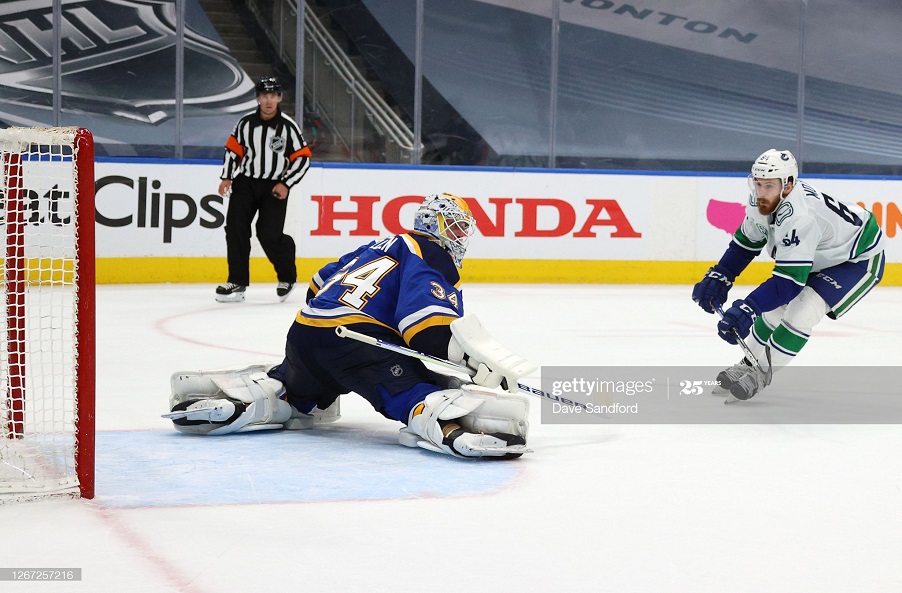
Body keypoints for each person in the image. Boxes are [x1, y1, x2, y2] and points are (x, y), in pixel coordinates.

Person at [164, 194, 535, 459]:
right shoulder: (430, 253)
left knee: (299, 389)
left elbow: (317, 286)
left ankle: (257, 398)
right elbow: (424, 330)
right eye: (455, 226)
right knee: (418, 388)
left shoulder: (379, 244)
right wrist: (473, 365)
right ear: (435, 225)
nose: (459, 235)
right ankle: (452, 426)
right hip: (357, 344)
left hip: (305, 334)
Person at [692, 149, 885, 401]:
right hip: (822, 253)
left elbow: (788, 283)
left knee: (802, 310)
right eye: (758, 184)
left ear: (788, 185)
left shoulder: (801, 216)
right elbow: (746, 244)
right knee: (774, 310)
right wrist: (722, 274)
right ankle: (748, 363)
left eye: (769, 186)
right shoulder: (759, 201)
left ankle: (759, 374)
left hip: (857, 258)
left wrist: (749, 308)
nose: (761, 192)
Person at [215, 76, 311, 303]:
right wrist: (227, 176)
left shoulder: (287, 126)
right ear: (258, 98)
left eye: (273, 96)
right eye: (264, 96)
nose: (269, 101)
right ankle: (237, 281)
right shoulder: (245, 123)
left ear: (279, 98)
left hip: (274, 186)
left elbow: (302, 158)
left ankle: (287, 276)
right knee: (236, 228)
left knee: (269, 234)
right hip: (246, 183)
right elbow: (233, 151)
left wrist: (286, 183)